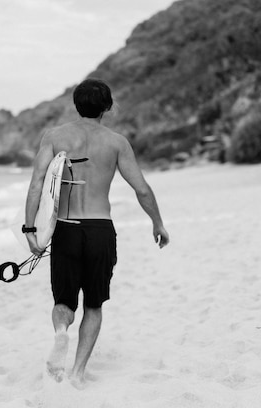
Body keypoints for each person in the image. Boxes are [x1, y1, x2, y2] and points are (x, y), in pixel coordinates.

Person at [23, 78, 169, 388]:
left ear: (76, 105)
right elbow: (141, 188)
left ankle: (62, 334)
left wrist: (30, 229)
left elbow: (37, 184)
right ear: (106, 107)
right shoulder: (117, 143)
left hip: (66, 228)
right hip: (100, 229)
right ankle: (77, 373)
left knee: (64, 302)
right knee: (93, 304)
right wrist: (157, 222)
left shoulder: (54, 136)